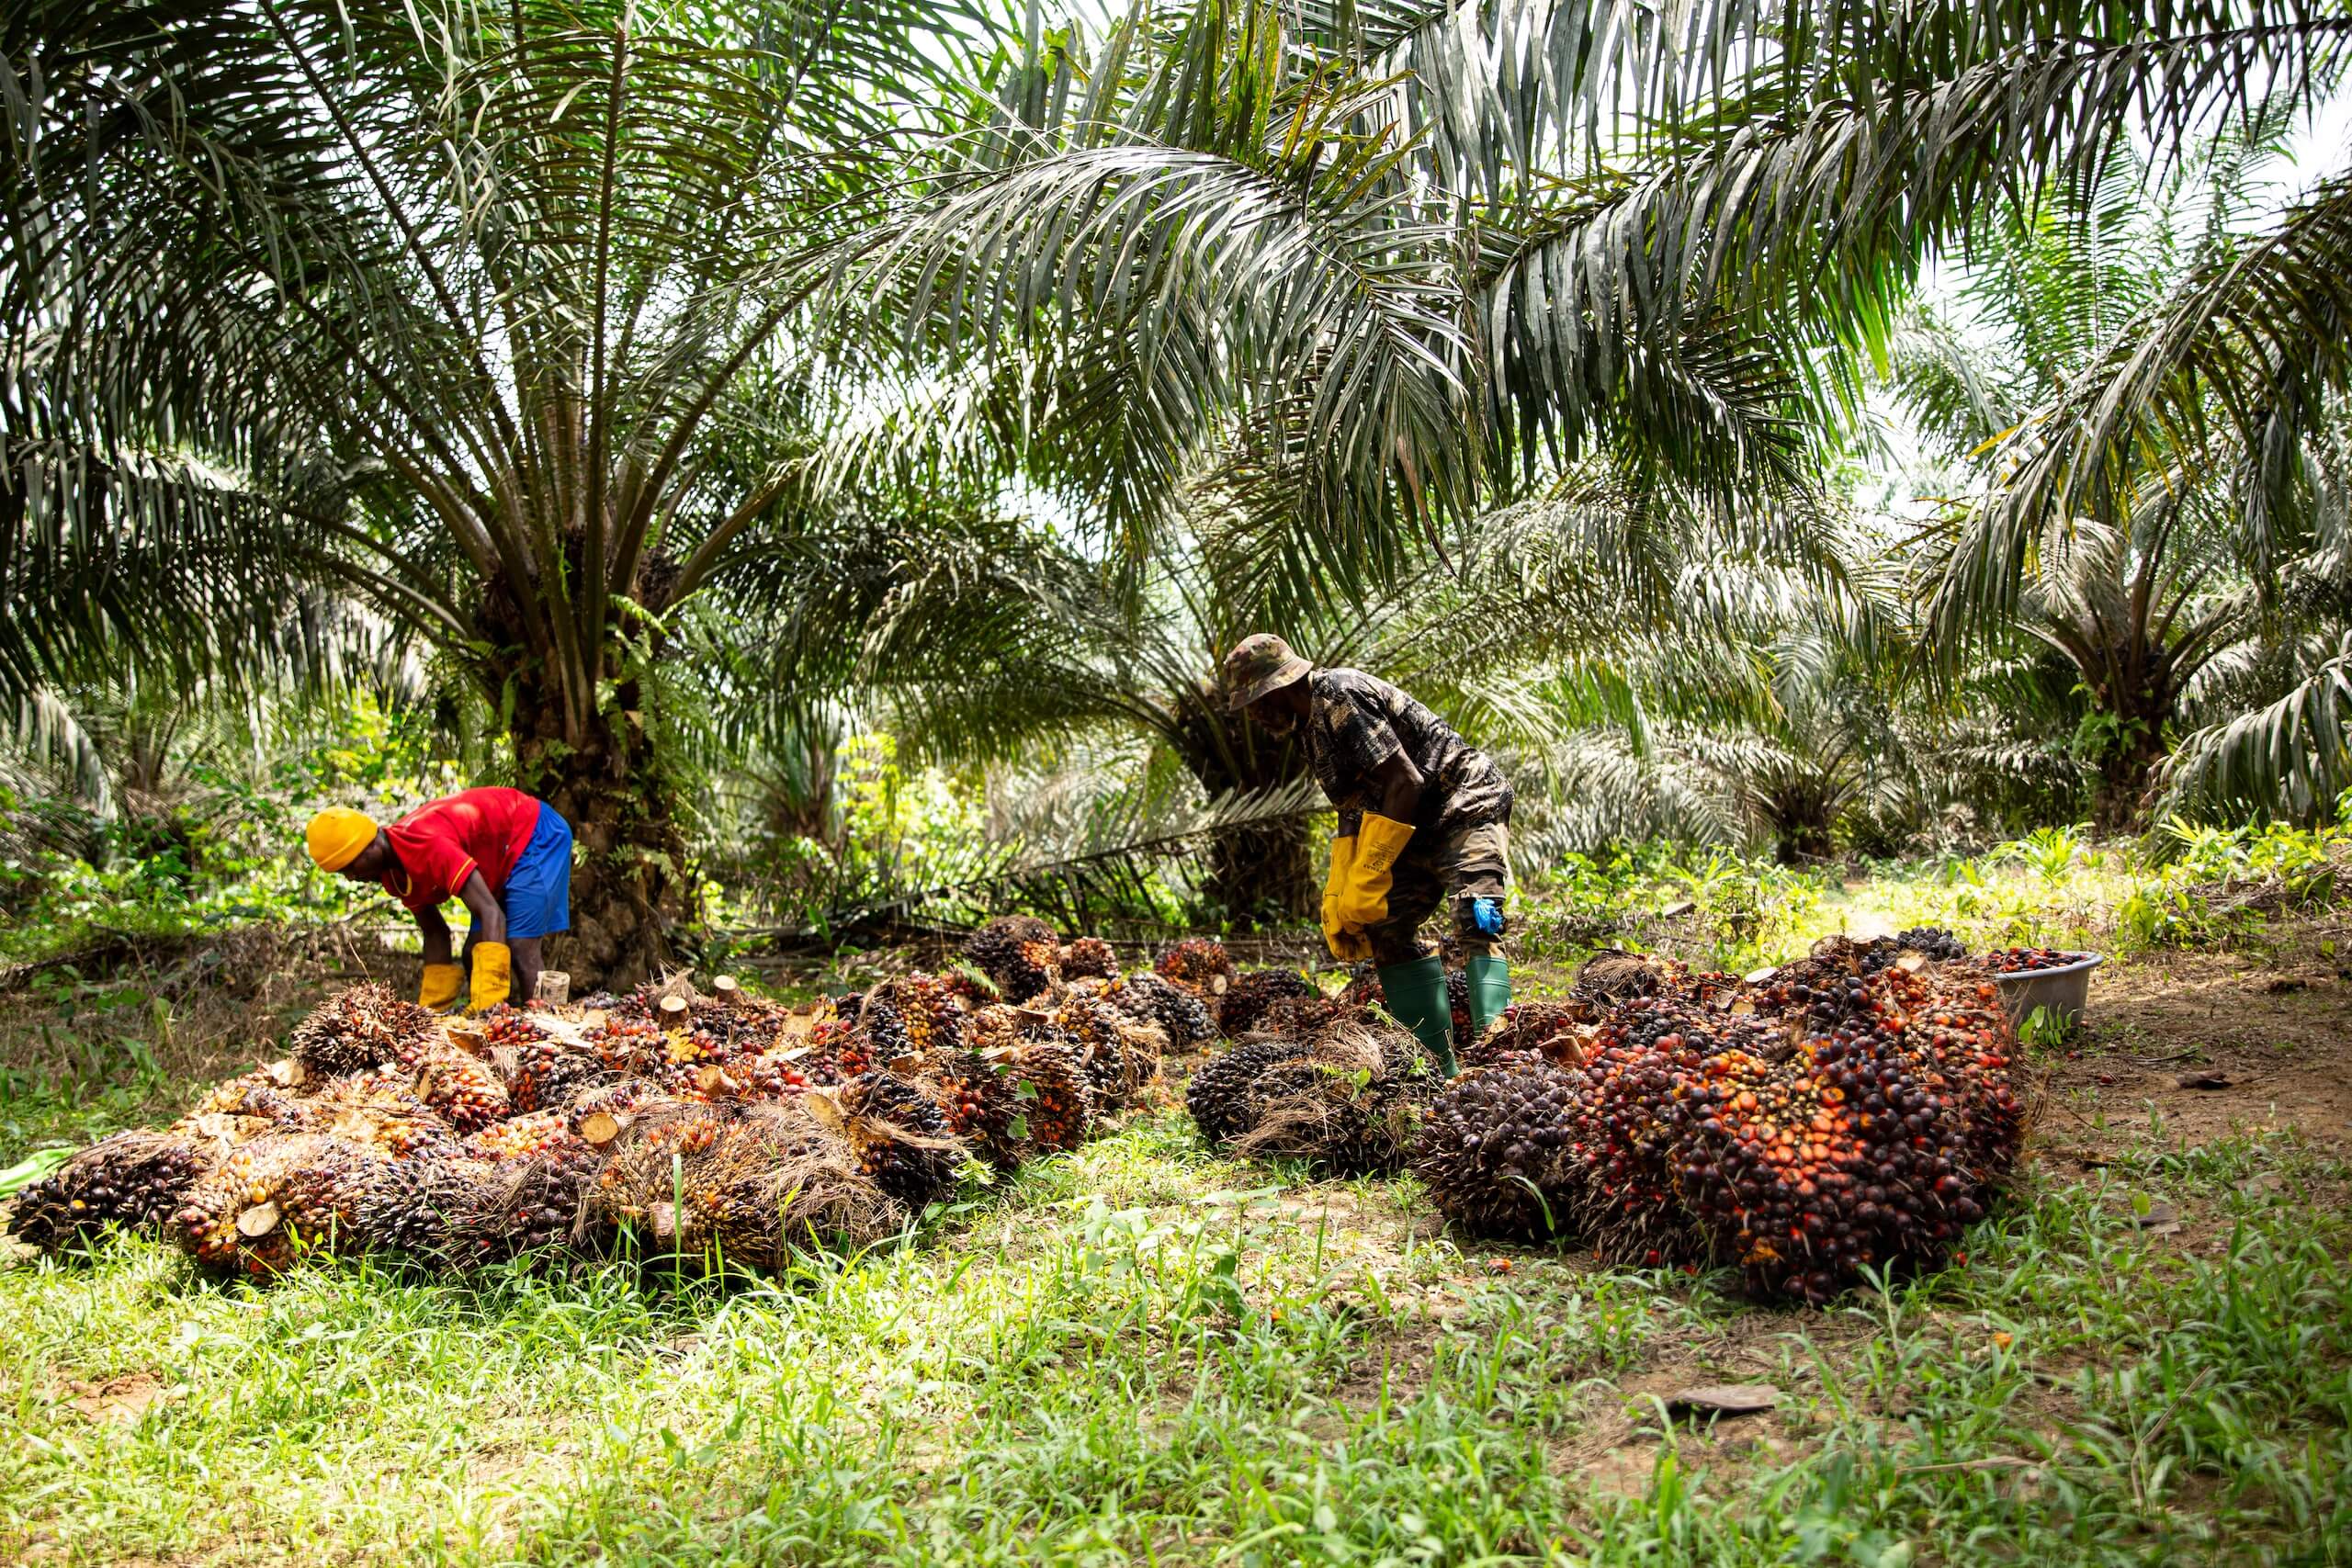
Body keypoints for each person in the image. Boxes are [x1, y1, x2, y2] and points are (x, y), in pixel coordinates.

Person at [1224, 633, 1511, 1072]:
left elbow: (1406, 782)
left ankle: (1500, 1062)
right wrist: (1342, 883)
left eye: (1257, 702)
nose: (1256, 716)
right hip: (1411, 823)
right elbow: (1351, 807)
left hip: (1463, 806)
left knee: (1477, 918)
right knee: (1385, 929)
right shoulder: (1309, 729)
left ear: (1281, 687)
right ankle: (1441, 1071)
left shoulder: (1341, 695)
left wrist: (1373, 867)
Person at [303, 787, 573, 1013]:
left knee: (520, 944)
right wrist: (430, 1011)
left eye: (351, 866)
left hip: (533, 833)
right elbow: (436, 933)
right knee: (472, 952)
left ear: (371, 845)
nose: (351, 878)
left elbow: (491, 913)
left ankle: (542, 1034)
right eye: (344, 873)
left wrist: (490, 1001)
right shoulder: (394, 876)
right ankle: (497, 1022)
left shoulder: (426, 844)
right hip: (498, 857)